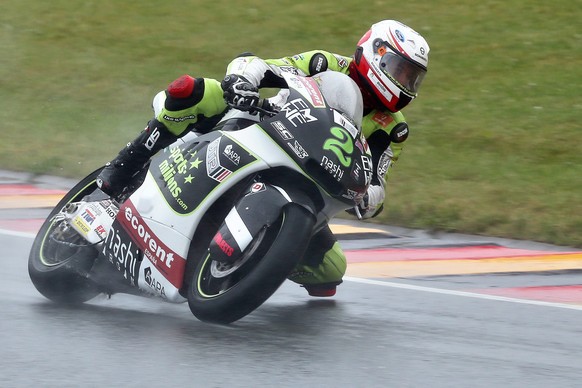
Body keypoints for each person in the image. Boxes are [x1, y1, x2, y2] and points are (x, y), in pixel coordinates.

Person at [96, 19, 430, 297]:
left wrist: (371, 198)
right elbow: (268, 67)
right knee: (197, 92)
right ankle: (124, 168)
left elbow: (378, 178)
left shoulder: (393, 129)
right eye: (401, 71)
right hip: (265, 128)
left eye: (412, 77)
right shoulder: (324, 63)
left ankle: (260, 256)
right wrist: (245, 79)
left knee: (330, 274)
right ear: (376, 55)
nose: (405, 84)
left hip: (315, 185)